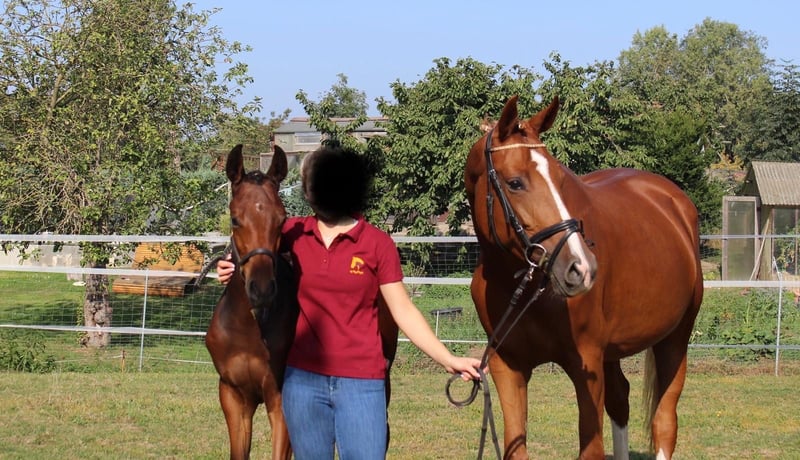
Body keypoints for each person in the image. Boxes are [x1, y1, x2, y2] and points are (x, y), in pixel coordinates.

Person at [216, 144, 483, 459]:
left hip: (361, 383)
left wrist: (448, 359)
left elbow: (403, 311)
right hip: (304, 383)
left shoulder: (377, 244)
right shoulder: (296, 233)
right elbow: (256, 231)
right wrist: (230, 262)